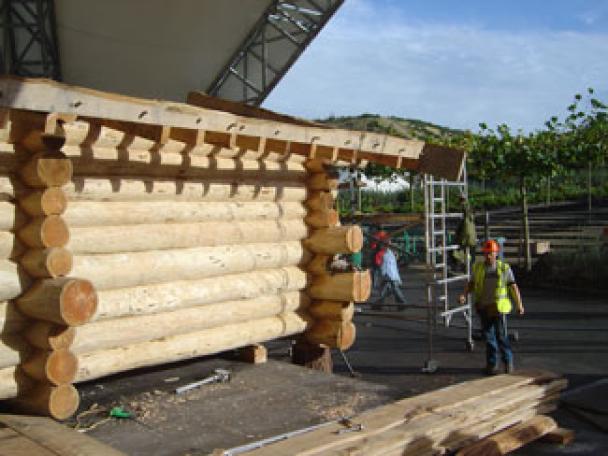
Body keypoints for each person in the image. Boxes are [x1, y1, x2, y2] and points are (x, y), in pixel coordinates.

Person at [459, 239, 524, 375]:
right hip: (484, 307)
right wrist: (464, 294)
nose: (488, 256)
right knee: (489, 338)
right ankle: (491, 364)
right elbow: (471, 283)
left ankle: (507, 362)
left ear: (496, 253)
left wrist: (519, 305)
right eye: (486, 253)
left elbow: (513, 287)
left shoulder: (503, 268)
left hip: (498, 308)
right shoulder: (478, 267)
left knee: (501, 336)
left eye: (490, 253)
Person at [371, 242, 407, 307]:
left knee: (393, 289)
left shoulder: (383, 253)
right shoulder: (390, 253)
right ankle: (379, 304)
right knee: (387, 290)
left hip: (388, 275)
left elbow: (378, 263)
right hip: (391, 275)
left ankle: (402, 303)